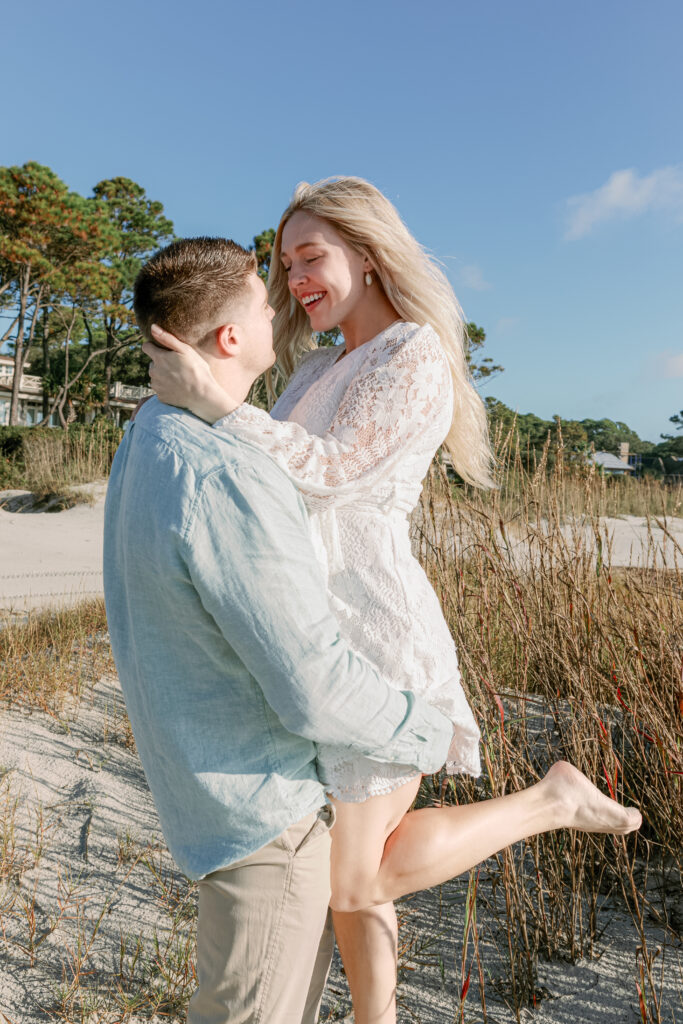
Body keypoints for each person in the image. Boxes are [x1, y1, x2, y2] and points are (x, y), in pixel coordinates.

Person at [144, 182, 642, 1024]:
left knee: (356, 875)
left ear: (367, 254)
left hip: (376, 629)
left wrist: (220, 405)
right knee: (350, 884)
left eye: (312, 257)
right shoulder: (313, 364)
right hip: (309, 630)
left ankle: (549, 800)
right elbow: (271, 480)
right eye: (284, 262)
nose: (295, 277)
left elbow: (334, 470)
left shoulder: (411, 354)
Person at [104, 235, 458, 1024]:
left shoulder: (147, 436)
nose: (284, 298)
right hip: (267, 818)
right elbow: (312, 686)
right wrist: (426, 728)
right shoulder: (223, 467)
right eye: (267, 295)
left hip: (207, 796)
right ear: (230, 338)